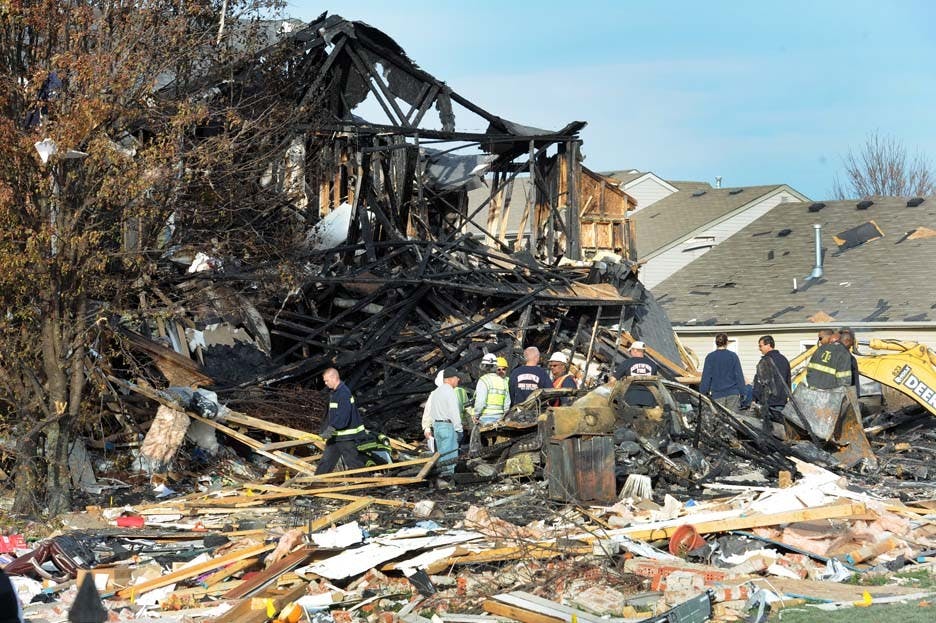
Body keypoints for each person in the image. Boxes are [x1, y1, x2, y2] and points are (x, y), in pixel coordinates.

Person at [316, 368, 367, 475]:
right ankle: (317, 484)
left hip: (346, 436)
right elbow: (332, 414)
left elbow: (343, 416)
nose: (325, 383)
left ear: (334, 378)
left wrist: (331, 428)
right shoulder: (335, 393)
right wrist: (326, 428)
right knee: (326, 462)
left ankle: (365, 486)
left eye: (326, 381)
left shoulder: (343, 393)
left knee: (354, 462)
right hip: (336, 436)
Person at [421, 368, 463, 480]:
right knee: (450, 455)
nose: (458, 380)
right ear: (451, 379)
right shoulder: (450, 391)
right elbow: (454, 412)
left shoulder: (435, 393)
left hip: (437, 426)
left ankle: (441, 476)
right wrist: (459, 429)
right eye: (456, 377)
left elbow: (429, 411)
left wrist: (427, 427)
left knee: (441, 453)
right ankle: (446, 478)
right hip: (448, 426)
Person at [699, 333, 745, 410]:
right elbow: (739, 375)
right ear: (726, 342)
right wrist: (743, 392)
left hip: (717, 395)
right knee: (733, 420)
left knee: (719, 420)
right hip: (733, 394)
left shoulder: (710, 357)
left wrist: (703, 392)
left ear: (716, 343)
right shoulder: (733, 356)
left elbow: (706, 377)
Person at [752, 335, 791, 422]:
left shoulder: (764, 361)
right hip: (781, 402)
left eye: (760, 346)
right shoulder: (784, 360)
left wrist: (754, 398)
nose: (759, 349)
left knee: (767, 431)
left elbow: (759, 382)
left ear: (768, 345)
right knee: (780, 431)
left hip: (768, 403)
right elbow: (788, 381)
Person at [612, 341, 659, 406]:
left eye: (631, 350)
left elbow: (613, 380)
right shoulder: (653, 364)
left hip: (630, 398)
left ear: (635, 350)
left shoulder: (627, 363)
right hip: (649, 399)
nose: (630, 352)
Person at [474, 353, 511, 425]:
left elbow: (480, 402)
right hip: (499, 418)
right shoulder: (503, 381)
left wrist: (476, 415)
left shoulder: (483, 380)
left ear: (483, 366)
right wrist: (504, 417)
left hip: (485, 418)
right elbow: (507, 403)